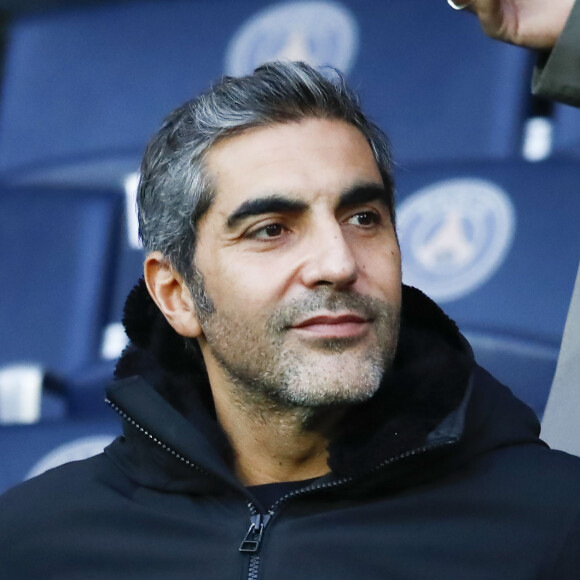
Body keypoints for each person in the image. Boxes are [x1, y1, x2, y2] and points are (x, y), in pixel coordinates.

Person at [2, 2, 580, 579]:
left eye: (363, 218)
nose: (337, 263)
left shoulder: (554, 526)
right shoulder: (33, 541)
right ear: (176, 294)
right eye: (271, 229)